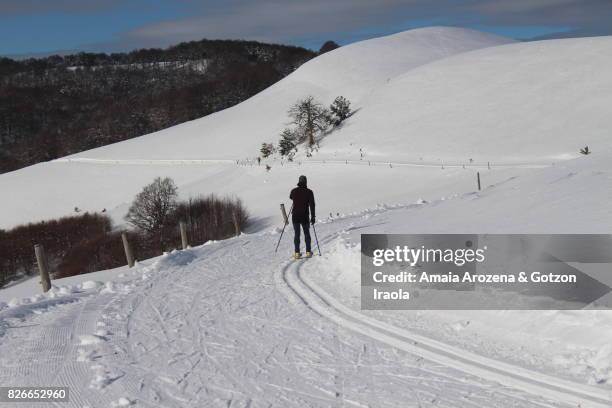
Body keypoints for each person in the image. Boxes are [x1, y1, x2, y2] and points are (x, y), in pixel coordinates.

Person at [289, 175, 315, 259]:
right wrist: (313, 216)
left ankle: (297, 253)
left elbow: (291, 197)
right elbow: (312, 205)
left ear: (299, 181)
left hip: (295, 215)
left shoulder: (294, 191)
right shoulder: (309, 192)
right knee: (306, 233)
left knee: (297, 234)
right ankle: (308, 252)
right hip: (304, 216)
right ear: (306, 182)